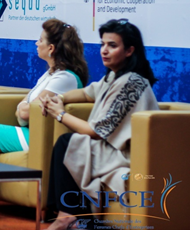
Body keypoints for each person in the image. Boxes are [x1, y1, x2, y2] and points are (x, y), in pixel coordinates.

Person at [0, 19, 89, 219]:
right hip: (31, 131)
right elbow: (23, 109)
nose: (36, 43)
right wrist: (23, 109)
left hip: (42, 138)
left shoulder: (65, 78)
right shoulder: (50, 74)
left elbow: (26, 112)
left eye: (40, 40)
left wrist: (24, 109)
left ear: (51, 48)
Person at [42, 19, 158, 230]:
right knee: (68, 144)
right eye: (103, 44)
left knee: (67, 143)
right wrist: (60, 98)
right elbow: (87, 93)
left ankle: (67, 216)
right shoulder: (114, 76)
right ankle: (68, 215)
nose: (104, 50)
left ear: (129, 50)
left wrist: (59, 114)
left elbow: (94, 132)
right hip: (108, 150)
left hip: (124, 155)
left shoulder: (132, 83)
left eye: (112, 45)